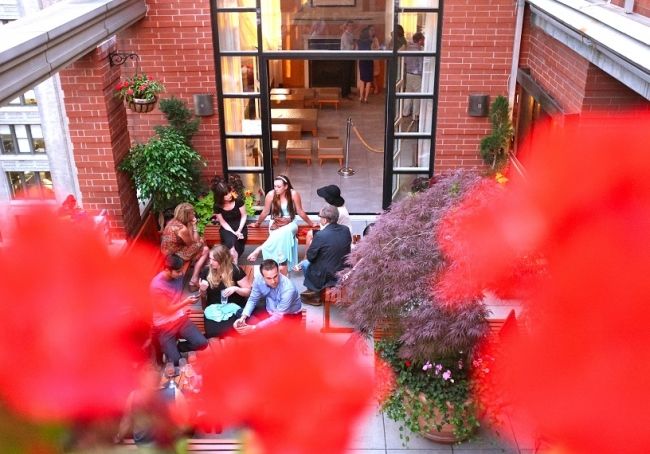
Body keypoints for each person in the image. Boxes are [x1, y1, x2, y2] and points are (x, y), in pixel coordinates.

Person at [247, 175, 314, 273]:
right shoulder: (270, 194)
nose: (276, 189)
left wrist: (311, 224)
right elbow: (265, 212)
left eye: (279, 187)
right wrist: (257, 224)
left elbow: (300, 211)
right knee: (280, 235)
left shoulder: (293, 194)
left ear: (286, 186)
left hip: (290, 223)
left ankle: (260, 249)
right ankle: (282, 265)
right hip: (275, 222)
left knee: (285, 231)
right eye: (275, 186)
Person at [151, 254, 208, 365]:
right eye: (178, 271)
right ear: (167, 270)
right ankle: (170, 350)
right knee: (177, 362)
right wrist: (185, 303)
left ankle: (176, 347)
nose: (182, 274)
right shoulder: (156, 286)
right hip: (164, 325)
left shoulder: (178, 276)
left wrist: (200, 292)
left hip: (180, 319)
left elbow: (177, 298)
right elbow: (166, 311)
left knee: (202, 343)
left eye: (181, 271)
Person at [298, 204, 351, 305]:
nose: (319, 219)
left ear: (325, 220)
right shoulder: (345, 230)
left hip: (328, 275)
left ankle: (315, 294)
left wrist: (312, 244)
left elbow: (310, 257)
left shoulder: (320, 235)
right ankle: (314, 292)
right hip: (344, 269)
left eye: (320, 217)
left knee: (305, 264)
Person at [233, 259, 303, 334]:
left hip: (289, 316)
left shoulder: (288, 289)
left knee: (267, 334)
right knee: (241, 312)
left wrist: (255, 328)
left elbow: (278, 317)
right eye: (269, 278)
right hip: (270, 309)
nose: (273, 281)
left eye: (275, 276)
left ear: (278, 272)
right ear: (263, 276)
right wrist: (243, 317)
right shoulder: (259, 279)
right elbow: (253, 299)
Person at [198, 245, 252, 338]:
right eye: (210, 259)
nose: (210, 262)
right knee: (212, 335)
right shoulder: (207, 271)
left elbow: (248, 291)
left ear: (223, 260)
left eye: (214, 260)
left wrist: (236, 289)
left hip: (233, 308)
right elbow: (202, 296)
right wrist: (202, 290)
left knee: (231, 334)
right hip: (213, 310)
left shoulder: (235, 271)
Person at [160, 202, 209, 291]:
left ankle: (199, 270)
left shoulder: (172, 222)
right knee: (204, 248)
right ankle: (194, 279)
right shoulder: (182, 229)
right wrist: (193, 226)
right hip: (174, 256)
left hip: (168, 251)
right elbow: (192, 243)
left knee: (201, 245)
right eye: (192, 212)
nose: (194, 213)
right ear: (187, 215)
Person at [212, 181, 247, 261]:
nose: (229, 195)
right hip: (227, 228)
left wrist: (238, 230)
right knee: (231, 245)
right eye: (226, 194)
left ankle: (233, 265)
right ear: (220, 196)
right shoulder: (217, 206)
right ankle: (234, 266)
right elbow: (223, 222)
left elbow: (244, 216)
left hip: (240, 226)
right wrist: (233, 232)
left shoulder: (238, 201)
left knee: (237, 245)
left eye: (229, 192)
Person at [402, 32, 425, 121]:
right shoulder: (419, 51)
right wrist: (422, 74)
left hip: (408, 73)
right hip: (416, 74)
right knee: (417, 95)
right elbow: (420, 64)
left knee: (408, 93)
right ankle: (416, 114)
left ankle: (405, 112)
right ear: (420, 41)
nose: (424, 41)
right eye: (423, 40)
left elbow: (405, 61)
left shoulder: (408, 48)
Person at [357, 26, 374, 103]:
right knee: (368, 80)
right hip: (369, 61)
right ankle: (366, 98)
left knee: (362, 79)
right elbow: (374, 50)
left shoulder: (359, 41)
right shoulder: (371, 41)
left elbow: (356, 50)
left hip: (362, 61)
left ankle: (361, 97)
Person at [340, 20, 356, 99]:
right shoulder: (344, 35)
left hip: (350, 57)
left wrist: (354, 45)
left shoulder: (351, 34)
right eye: (350, 26)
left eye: (352, 26)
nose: (351, 27)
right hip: (345, 57)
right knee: (346, 75)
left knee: (349, 74)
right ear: (346, 26)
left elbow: (352, 44)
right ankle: (344, 94)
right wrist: (354, 45)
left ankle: (348, 91)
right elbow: (348, 47)